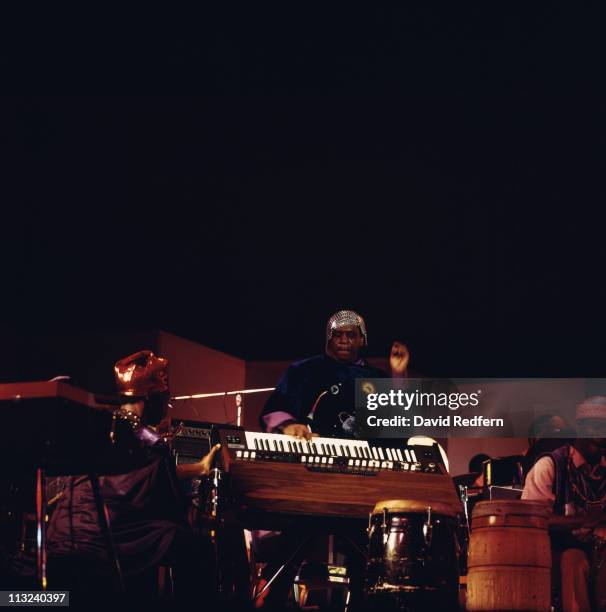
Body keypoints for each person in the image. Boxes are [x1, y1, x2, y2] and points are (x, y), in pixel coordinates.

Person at [45, 350, 221, 609]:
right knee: (196, 547)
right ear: (151, 398)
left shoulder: (96, 427)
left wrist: (195, 469)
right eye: (165, 398)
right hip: (109, 540)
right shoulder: (150, 442)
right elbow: (174, 509)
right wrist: (220, 522)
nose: (166, 405)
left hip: (61, 536)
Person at [260, 309, 409, 439]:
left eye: (351, 335)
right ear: (328, 338)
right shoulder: (303, 370)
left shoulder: (375, 377)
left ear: (362, 340)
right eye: (337, 334)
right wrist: (287, 425)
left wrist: (398, 373)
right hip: (311, 449)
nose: (344, 340)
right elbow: (276, 409)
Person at [522, 396, 606, 611]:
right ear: (579, 428)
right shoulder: (550, 466)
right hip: (559, 550)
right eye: (596, 427)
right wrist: (583, 520)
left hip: (599, 549)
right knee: (574, 561)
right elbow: (532, 519)